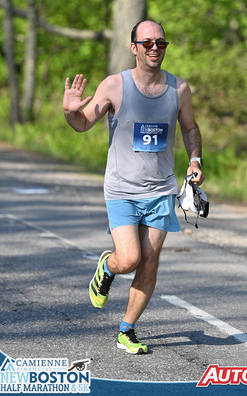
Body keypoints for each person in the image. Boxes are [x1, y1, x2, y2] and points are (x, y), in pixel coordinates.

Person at [63, 19, 205, 354]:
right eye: (147, 43)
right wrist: (70, 112)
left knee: (150, 262)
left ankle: (127, 330)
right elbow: (83, 124)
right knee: (128, 259)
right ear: (134, 48)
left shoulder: (179, 89)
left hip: (161, 189)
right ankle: (107, 267)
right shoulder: (114, 86)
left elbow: (190, 127)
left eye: (161, 43)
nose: (155, 48)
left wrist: (195, 160)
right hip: (122, 188)